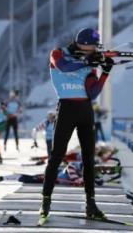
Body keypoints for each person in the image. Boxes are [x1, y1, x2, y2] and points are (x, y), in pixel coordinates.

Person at [40, 28, 114, 221]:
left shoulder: (90, 64)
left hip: (85, 110)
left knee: (89, 158)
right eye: (91, 46)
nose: (93, 50)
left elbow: (93, 93)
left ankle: (91, 204)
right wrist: (87, 61)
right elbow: (63, 67)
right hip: (66, 108)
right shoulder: (58, 53)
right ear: (82, 43)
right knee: (56, 156)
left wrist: (105, 72)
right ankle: (45, 202)